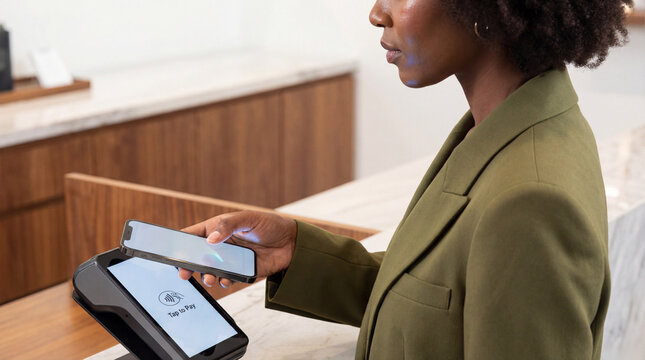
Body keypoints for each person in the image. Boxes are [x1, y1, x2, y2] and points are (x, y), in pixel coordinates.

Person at [179, 0, 631, 358]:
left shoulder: (529, 200)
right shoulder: (511, 125)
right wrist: (294, 252)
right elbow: (439, 307)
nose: (377, 13)